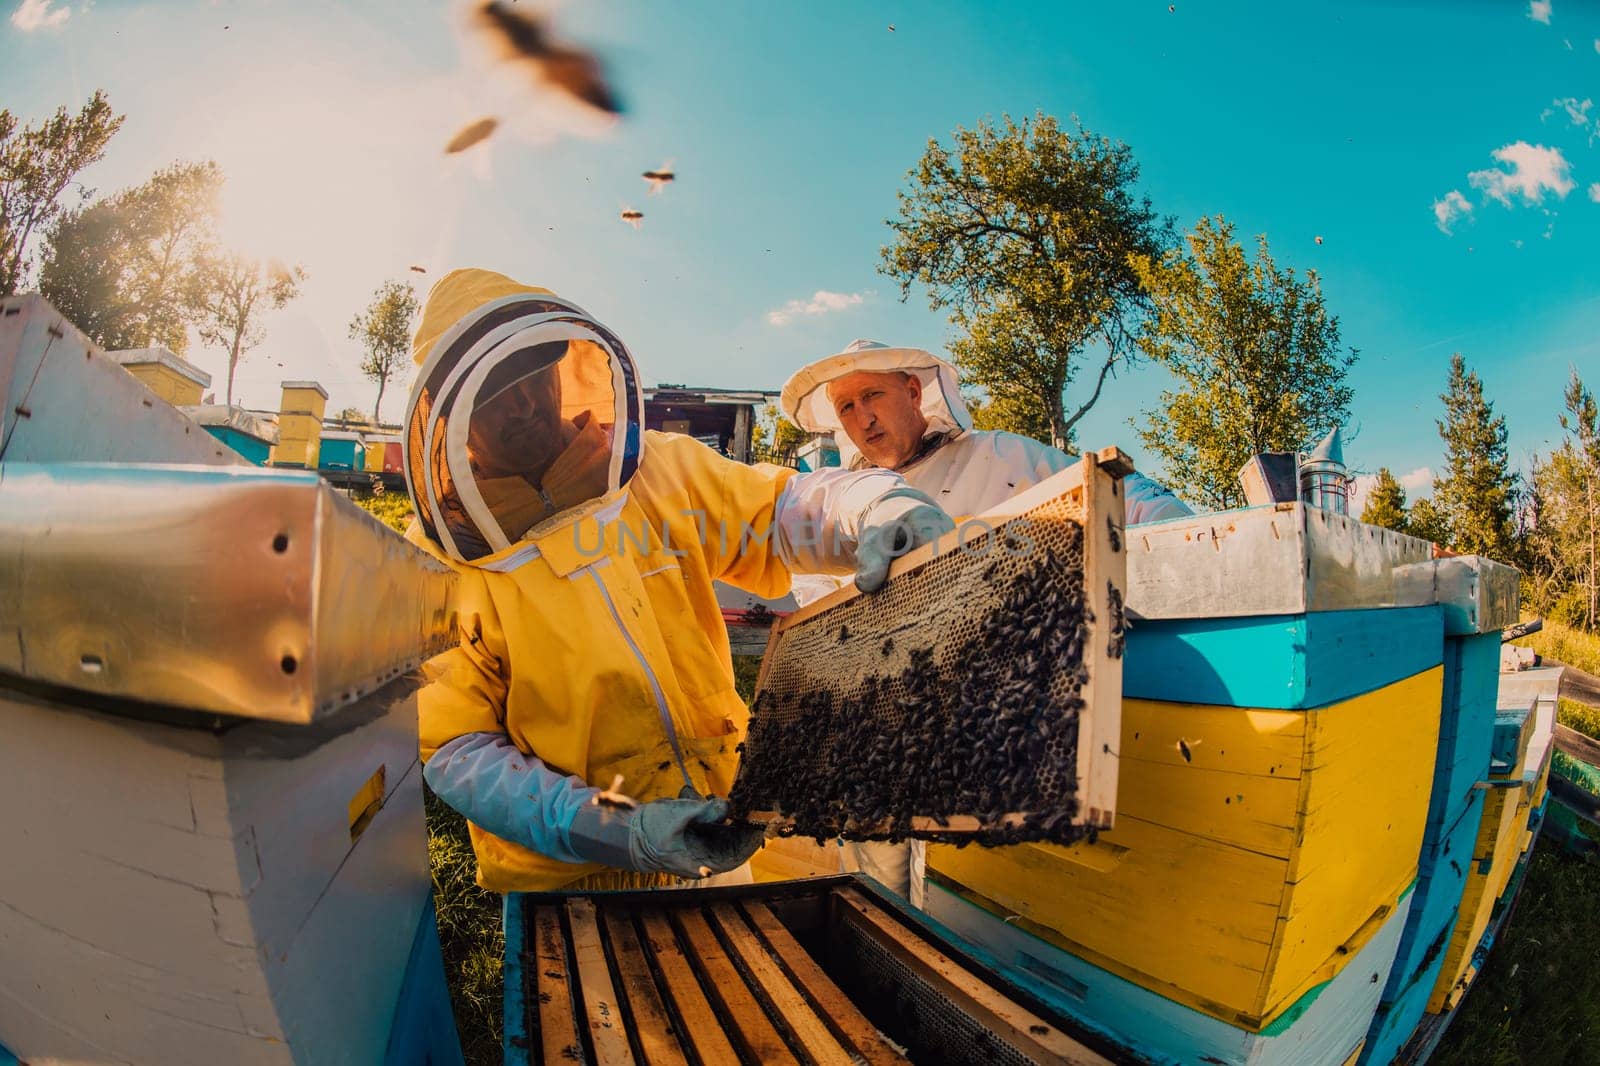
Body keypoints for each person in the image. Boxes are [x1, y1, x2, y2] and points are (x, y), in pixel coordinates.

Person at [405, 272, 954, 893]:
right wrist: (616, 829)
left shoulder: (659, 468)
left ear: (569, 365)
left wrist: (869, 508)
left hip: (719, 832)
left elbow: (776, 513)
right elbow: (459, 749)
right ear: (447, 416)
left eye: (537, 376)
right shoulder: (437, 564)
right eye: (494, 394)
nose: (525, 404)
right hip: (571, 879)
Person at [780, 338, 1193, 906]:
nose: (862, 418)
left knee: (964, 908)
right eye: (846, 407)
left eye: (871, 395)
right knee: (877, 902)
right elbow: (816, 614)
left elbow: (1131, 501)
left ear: (914, 391)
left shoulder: (998, 458)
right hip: (880, 746)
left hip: (989, 728)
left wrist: (1196, 547)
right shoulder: (846, 504)